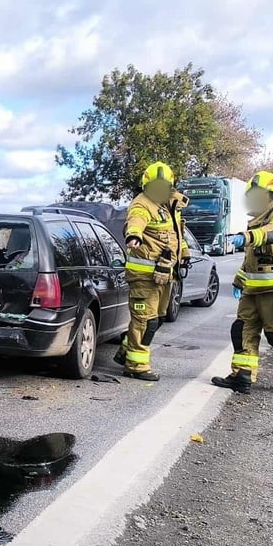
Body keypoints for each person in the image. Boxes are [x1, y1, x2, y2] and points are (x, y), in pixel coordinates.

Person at [212, 171, 273, 395]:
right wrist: (239, 281)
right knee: (243, 330)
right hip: (252, 290)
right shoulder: (255, 219)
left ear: (272, 195)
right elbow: (251, 260)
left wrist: (248, 237)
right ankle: (242, 375)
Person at [112, 161, 189, 382]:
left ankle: (127, 351)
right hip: (144, 278)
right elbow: (135, 221)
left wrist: (184, 253)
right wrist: (134, 235)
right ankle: (136, 365)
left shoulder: (166, 206)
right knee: (146, 321)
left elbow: (175, 233)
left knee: (159, 318)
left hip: (165, 275)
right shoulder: (142, 204)